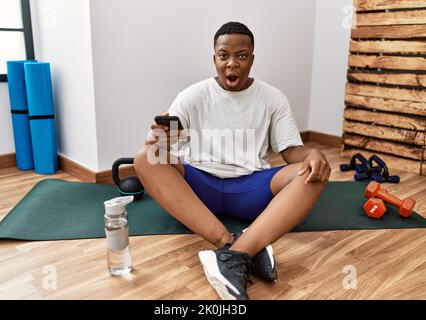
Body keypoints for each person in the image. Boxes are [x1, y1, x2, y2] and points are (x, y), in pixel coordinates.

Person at [134, 21, 331, 300]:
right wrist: (158, 137)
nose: (232, 64)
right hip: (200, 186)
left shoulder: (273, 98)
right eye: (224, 55)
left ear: (252, 58)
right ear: (214, 58)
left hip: (251, 189)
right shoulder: (192, 96)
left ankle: (236, 254)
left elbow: (291, 153)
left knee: (313, 173)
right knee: (145, 158)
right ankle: (232, 244)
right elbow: (159, 147)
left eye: (241, 56)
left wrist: (313, 154)